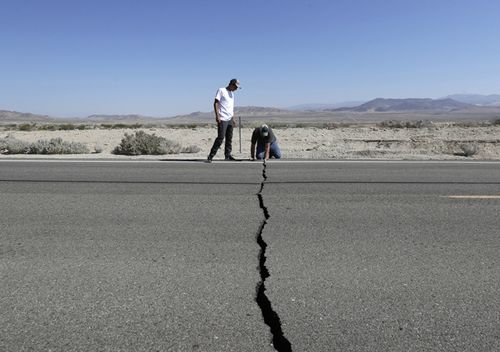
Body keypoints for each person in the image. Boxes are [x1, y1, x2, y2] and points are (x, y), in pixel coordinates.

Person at [206, 78, 241, 162]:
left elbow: (230, 107)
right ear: (231, 84)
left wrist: (232, 119)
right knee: (220, 138)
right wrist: (217, 116)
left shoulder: (232, 94)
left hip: (229, 119)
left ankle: (227, 155)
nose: (236, 89)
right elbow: (216, 103)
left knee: (229, 138)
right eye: (235, 87)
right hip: (222, 118)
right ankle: (211, 156)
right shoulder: (221, 90)